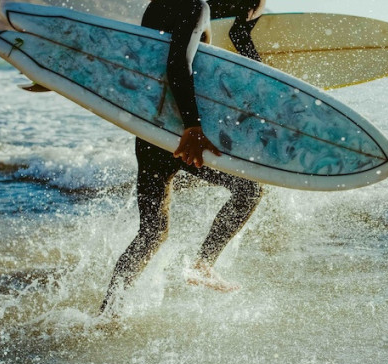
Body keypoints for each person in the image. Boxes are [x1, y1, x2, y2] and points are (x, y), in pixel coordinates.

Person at [100, 0, 267, 314]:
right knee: (250, 189)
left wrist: (243, 26)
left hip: (150, 132)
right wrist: (193, 126)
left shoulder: (162, 6)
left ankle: (108, 312)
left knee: (152, 232)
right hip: (180, 134)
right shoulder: (194, 7)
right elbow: (178, 63)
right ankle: (204, 264)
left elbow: (137, 58)